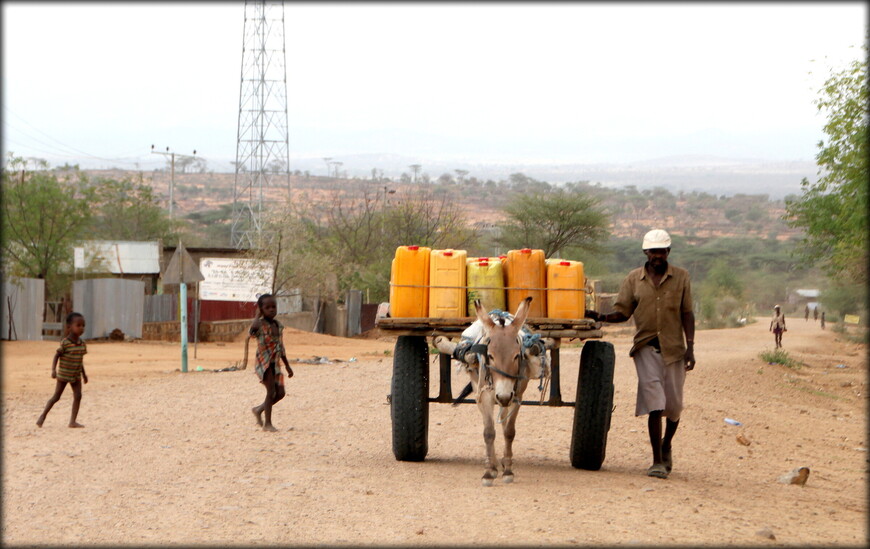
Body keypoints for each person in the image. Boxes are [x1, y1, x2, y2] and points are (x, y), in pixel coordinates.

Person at [584, 229, 695, 480]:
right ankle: (656, 460)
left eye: (662, 251)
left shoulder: (681, 277)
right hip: (645, 348)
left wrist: (691, 347)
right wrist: (600, 316)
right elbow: (623, 313)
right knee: (655, 404)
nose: (658, 256)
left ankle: (667, 444)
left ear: (668, 252)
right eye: (653, 251)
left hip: (675, 349)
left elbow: (687, 313)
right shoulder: (634, 279)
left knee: (674, 406)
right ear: (646, 252)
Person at [249, 293, 293, 432]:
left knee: (280, 393)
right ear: (261, 309)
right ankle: (267, 424)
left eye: (274, 307)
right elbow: (252, 332)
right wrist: (257, 315)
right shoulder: (260, 325)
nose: (272, 310)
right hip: (264, 363)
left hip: (275, 362)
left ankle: (259, 409)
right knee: (271, 391)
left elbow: (281, 346)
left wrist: (287, 365)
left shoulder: (278, 325)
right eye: (267, 307)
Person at [37, 312, 89, 428]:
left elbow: (80, 360)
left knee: (78, 396)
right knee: (56, 397)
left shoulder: (82, 344)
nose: (81, 328)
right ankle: (43, 416)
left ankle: (72, 421)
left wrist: (84, 375)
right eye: (78, 325)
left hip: (76, 375)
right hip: (64, 375)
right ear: (69, 327)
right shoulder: (65, 343)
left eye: (83, 325)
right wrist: (53, 370)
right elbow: (57, 355)